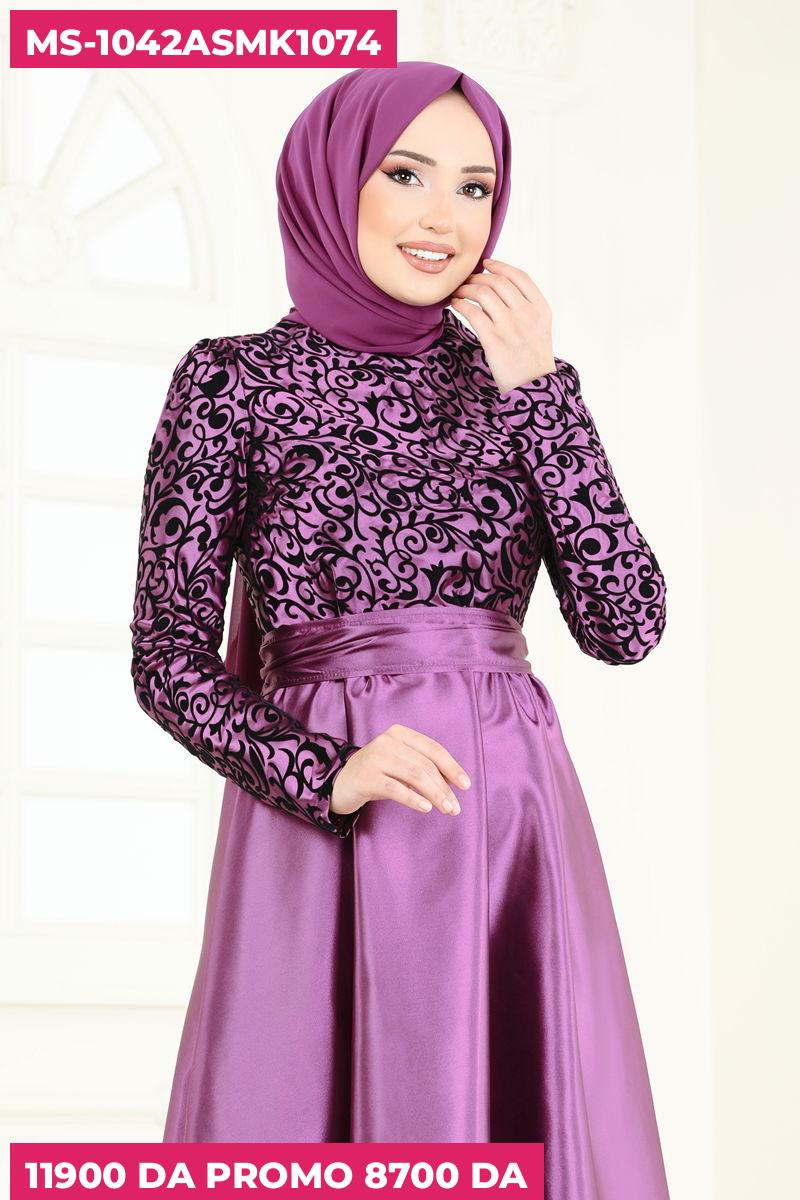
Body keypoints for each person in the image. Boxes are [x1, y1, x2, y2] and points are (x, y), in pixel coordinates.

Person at [129, 60, 671, 1196]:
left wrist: (543, 397)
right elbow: (167, 658)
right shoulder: (233, 384)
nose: (443, 219)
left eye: (475, 188)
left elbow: (625, 625)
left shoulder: (519, 386)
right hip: (322, 824)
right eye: (407, 174)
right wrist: (322, 772)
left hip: (504, 818)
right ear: (333, 183)